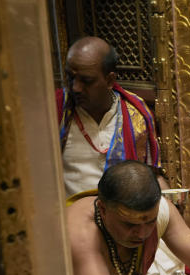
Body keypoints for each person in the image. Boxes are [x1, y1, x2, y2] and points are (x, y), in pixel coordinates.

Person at [57, 36, 160, 199]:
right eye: (70, 77)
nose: (75, 88)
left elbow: (150, 175)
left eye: (86, 81)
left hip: (123, 218)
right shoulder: (56, 110)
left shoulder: (135, 114)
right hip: (70, 217)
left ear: (110, 80)